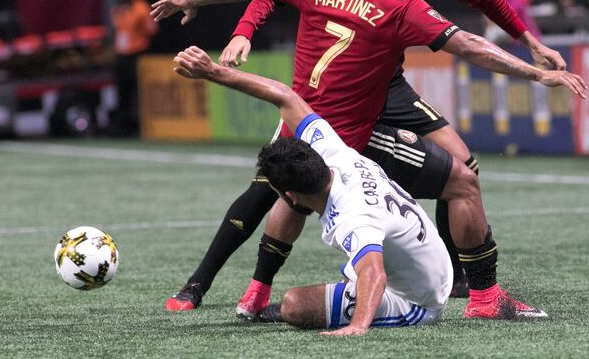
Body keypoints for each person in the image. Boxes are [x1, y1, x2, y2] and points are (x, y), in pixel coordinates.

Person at [151, 0, 586, 319]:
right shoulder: (399, 5)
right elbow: (470, 44)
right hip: (353, 135)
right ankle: (484, 298)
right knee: (462, 181)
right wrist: (536, 73)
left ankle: (255, 294)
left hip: (307, 121)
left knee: (288, 196)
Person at [173, 46, 454, 335]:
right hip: (430, 265)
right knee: (343, 276)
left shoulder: (351, 218)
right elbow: (285, 96)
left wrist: (357, 327)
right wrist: (213, 72)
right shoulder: (334, 152)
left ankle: (314, 312)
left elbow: (374, 273)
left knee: (295, 304)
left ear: (291, 196)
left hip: (418, 300)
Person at [110, 0, 158, 135]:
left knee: (137, 91)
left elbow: (152, 29)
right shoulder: (117, 8)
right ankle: (123, 126)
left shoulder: (141, 7)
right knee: (122, 91)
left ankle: (138, 125)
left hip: (137, 54)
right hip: (121, 55)